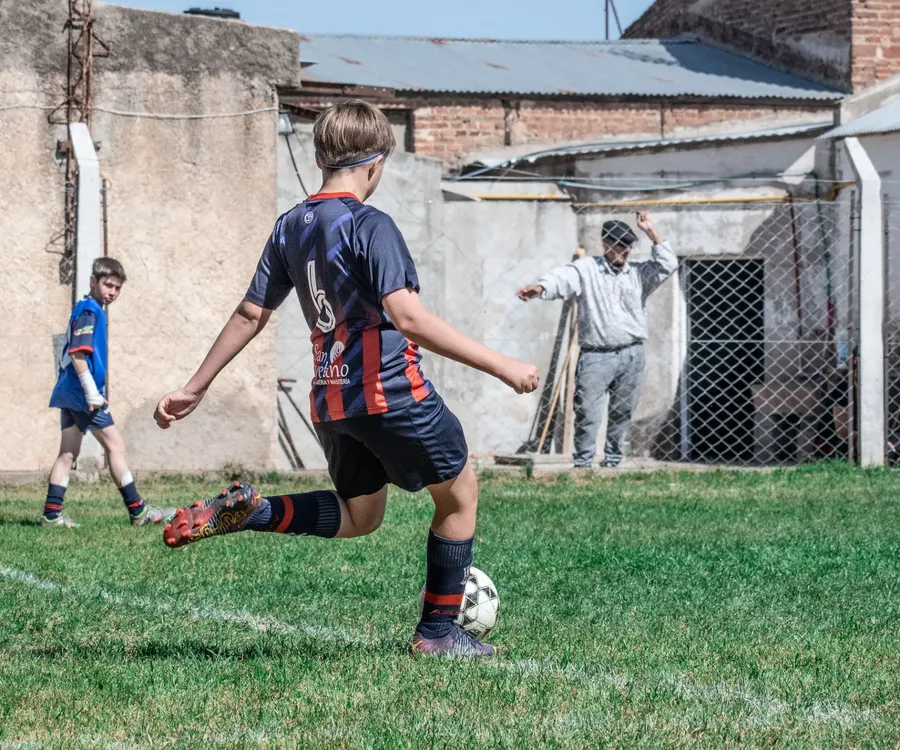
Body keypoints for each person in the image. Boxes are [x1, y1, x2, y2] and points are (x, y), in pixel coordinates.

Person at [153, 100, 540, 658]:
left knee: (362, 516)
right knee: (459, 497)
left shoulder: (291, 226)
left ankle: (254, 511)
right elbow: (407, 317)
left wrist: (196, 385)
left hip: (332, 402)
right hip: (392, 393)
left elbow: (250, 313)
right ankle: (436, 634)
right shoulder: (369, 224)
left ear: (317, 156)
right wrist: (502, 365)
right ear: (376, 164)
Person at [517, 213, 676, 468]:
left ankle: (613, 461)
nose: (623, 251)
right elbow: (561, 279)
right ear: (606, 244)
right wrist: (539, 289)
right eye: (618, 245)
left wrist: (651, 231)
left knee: (622, 411)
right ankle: (583, 463)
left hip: (631, 353)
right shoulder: (587, 268)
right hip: (595, 355)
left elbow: (668, 264)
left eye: (627, 246)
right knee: (588, 411)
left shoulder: (638, 273)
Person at [44, 258, 174, 528]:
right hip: (82, 395)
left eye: (117, 287)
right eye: (107, 285)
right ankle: (138, 511)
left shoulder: (88, 308)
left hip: (69, 392)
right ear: (94, 281)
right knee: (116, 446)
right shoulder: (90, 311)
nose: (112, 292)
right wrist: (92, 392)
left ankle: (51, 515)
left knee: (67, 453)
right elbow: (78, 354)